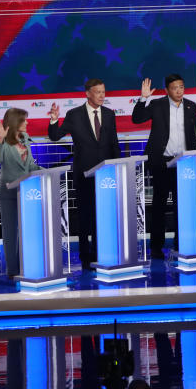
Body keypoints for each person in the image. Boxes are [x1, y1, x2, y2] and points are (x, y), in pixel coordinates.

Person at [48, 78, 121, 269]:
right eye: (98, 92)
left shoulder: (109, 114)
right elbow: (55, 136)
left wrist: (117, 168)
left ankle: (98, 252)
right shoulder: (74, 115)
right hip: (83, 174)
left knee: (102, 215)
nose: (102, 96)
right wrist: (54, 119)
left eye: (104, 92)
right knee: (85, 215)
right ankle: (85, 254)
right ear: (88, 93)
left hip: (105, 174)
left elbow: (114, 143)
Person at [131, 74, 196, 258]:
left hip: (184, 163)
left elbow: (194, 134)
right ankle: (156, 247)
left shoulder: (190, 106)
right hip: (161, 161)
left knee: (183, 205)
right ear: (167, 90)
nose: (179, 91)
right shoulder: (158, 105)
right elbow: (136, 119)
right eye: (175, 87)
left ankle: (182, 243)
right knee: (159, 205)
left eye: (182, 87)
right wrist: (143, 98)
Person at [0, 109, 42, 279]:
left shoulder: (25, 138)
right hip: (8, 192)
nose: (27, 123)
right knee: (10, 232)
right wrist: (0, 140)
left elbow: (30, 165)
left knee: (25, 230)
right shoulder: (3, 141)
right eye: (24, 120)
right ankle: (12, 270)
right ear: (15, 121)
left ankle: (24, 266)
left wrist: (46, 172)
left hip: (26, 191)